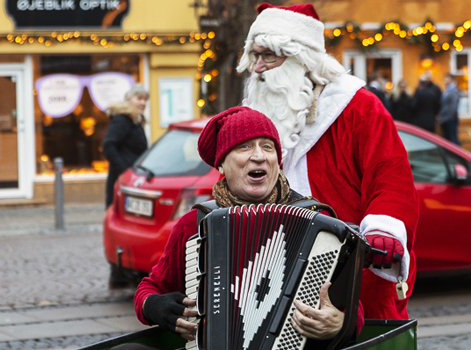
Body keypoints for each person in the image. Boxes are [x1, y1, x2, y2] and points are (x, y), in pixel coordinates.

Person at [237, 3, 418, 320]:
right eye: (254, 56)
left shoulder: (358, 108)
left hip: (350, 277)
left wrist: (383, 230)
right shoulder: (253, 114)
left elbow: (390, 177)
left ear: (301, 58)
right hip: (271, 275)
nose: (258, 68)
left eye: (269, 56)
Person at [133, 106, 364, 345]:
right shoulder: (195, 224)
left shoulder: (317, 223)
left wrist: (340, 323)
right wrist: (154, 306)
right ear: (221, 165)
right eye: (244, 146)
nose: (259, 156)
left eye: (267, 146)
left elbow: (353, 307)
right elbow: (149, 290)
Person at [102, 84, 150, 208]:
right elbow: (108, 145)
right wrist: (124, 171)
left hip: (132, 179)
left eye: (145, 99)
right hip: (121, 180)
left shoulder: (136, 121)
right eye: (139, 98)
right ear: (129, 100)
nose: (143, 103)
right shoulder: (123, 119)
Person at [438, 73, 461, 145]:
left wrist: (449, 117)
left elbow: (454, 106)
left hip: (450, 119)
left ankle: (457, 155)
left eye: (446, 79)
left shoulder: (454, 91)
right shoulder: (446, 90)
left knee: (453, 140)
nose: (445, 81)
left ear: (451, 80)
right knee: (446, 141)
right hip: (444, 119)